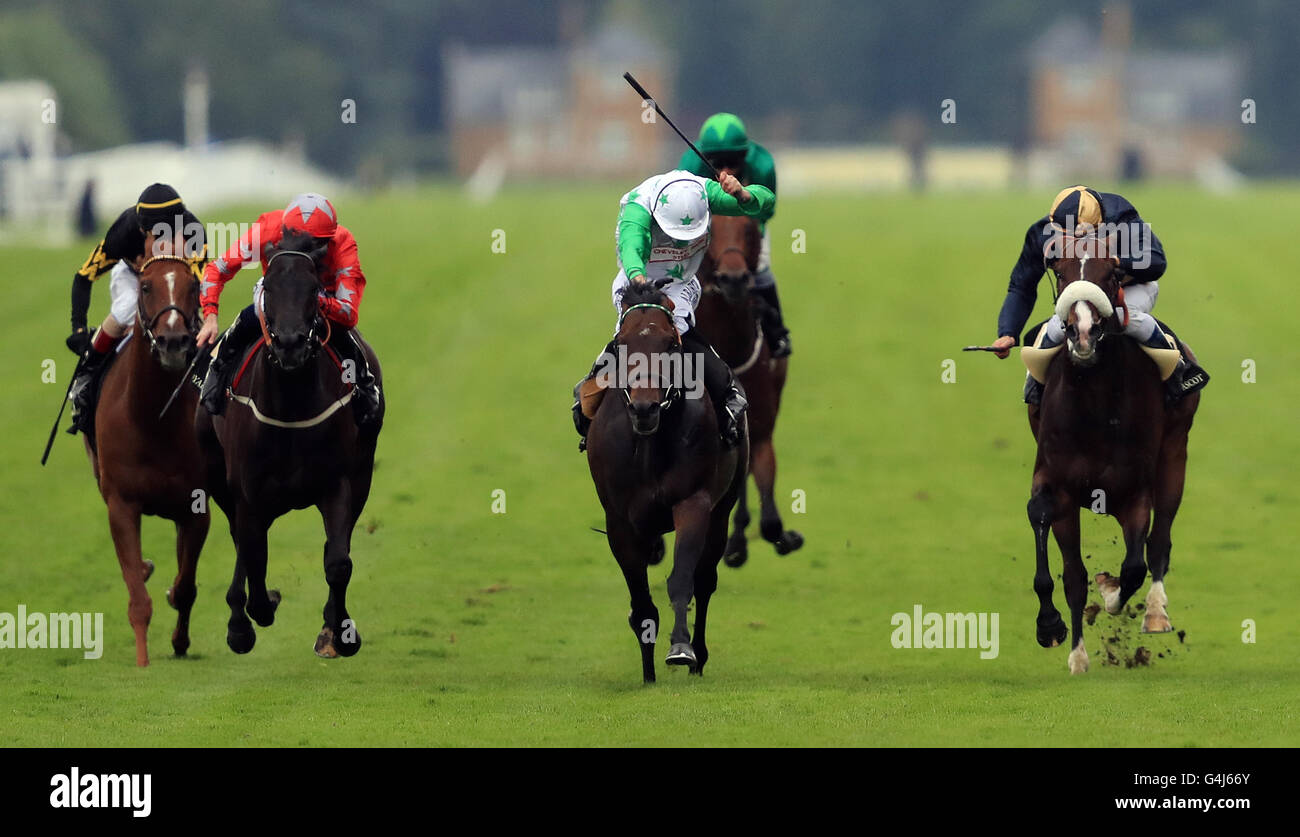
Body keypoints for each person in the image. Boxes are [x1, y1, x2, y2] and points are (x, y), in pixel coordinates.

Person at [572, 169, 775, 450]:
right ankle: (595, 383)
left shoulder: (707, 193)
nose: (680, 242)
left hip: (681, 282)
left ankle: (726, 393)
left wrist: (742, 193)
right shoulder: (638, 206)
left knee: (676, 326)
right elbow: (631, 248)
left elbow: (766, 201)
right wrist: (639, 279)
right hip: (638, 277)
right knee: (634, 330)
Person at [991, 185, 1209, 403]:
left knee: (1127, 317)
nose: (1076, 246)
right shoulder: (1042, 234)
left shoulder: (1123, 219)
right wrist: (1008, 331)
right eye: (1068, 239)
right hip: (1078, 294)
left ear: (1100, 223)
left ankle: (1180, 370)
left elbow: (1156, 262)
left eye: (1084, 237)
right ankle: (1034, 385)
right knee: (1056, 328)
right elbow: (1022, 285)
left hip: (1132, 286)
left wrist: (1118, 262)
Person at [196, 193, 381, 425]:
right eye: (295, 238)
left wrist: (317, 302)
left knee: (347, 340)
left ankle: (362, 384)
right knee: (245, 321)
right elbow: (217, 270)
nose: (305, 249)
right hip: (278, 291)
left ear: (329, 239)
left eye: (315, 245)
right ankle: (216, 376)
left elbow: (348, 313)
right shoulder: (267, 230)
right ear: (284, 230)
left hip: (320, 297)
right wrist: (211, 315)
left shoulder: (342, 243)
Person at [66, 183, 207, 435]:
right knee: (127, 307)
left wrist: (206, 321)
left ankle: (210, 375)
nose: (164, 241)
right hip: (133, 277)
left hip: (176, 277)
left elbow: (201, 286)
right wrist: (77, 327)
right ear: (142, 230)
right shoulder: (123, 234)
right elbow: (83, 276)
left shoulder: (193, 231)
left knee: (188, 314)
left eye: (171, 233)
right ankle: (87, 371)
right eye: (157, 235)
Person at [678, 113, 790, 357]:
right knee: (681, 271)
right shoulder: (689, 165)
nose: (726, 169)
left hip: (748, 224)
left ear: (745, 155)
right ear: (705, 157)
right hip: (701, 224)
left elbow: (766, 210)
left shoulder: (762, 165)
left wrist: (751, 241)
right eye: (717, 162)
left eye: (732, 160)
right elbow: (681, 211)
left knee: (761, 266)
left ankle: (777, 332)